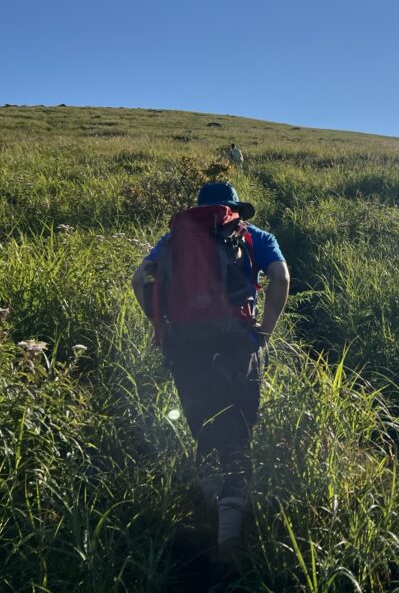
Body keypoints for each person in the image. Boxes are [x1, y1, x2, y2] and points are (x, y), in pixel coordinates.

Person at [131, 181, 290, 555]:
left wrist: (163, 328)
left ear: (199, 209)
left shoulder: (173, 239)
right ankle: (229, 533)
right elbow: (281, 278)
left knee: (202, 421)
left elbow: (140, 281)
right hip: (238, 343)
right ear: (234, 208)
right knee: (239, 426)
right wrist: (264, 332)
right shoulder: (253, 235)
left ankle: (206, 502)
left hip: (185, 345)